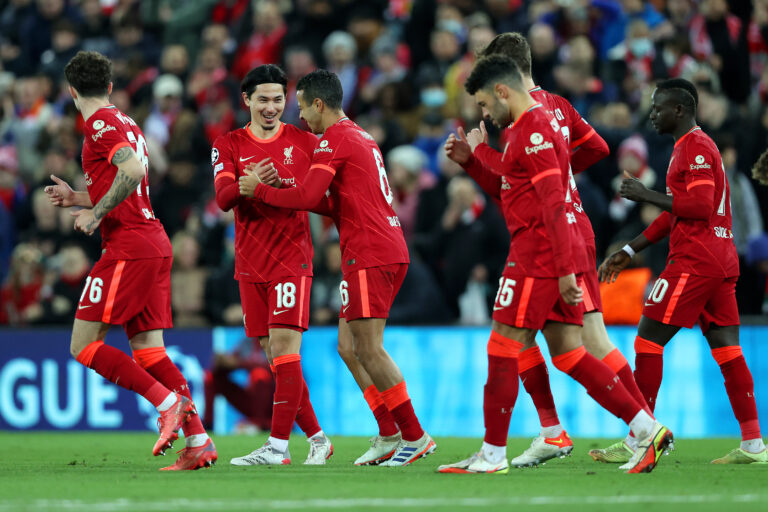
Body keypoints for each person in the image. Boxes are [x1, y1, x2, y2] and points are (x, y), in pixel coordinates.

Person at [438, 54, 671, 475]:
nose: (485, 115)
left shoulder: (534, 129)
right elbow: (512, 187)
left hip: (538, 252)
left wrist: (565, 271)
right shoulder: (527, 129)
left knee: (503, 345)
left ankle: (492, 455)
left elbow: (554, 204)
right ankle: (645, 428)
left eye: (485, 105)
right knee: (568, 353)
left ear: (502, 90)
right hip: (547, 249)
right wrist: (473, 160)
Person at [251, 69, 435, 467]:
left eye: (302, 107)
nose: (300, 116)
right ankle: (388, 432)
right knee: (348, 347)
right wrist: (287, 187)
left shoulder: (334, 140)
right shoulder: (361, 137)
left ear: (319, 104)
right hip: (374, 247)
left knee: (368, 347)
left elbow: (310, 196)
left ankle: (414, 435)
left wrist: (262, 191)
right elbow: (333, 204)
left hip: (372, 251)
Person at [44, 51, 215, 470]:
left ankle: (168, 403)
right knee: (149, 352)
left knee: (83, 346)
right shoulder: (126, 121)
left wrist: (96, 213)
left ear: (70, 91)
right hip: (153, 240)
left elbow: (135, 172)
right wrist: (78, 198)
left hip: (129, 245)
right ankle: (198, 442)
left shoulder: (98, 124)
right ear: (110, 87)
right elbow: (130, 183)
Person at [598, 78, 766, 464]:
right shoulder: (686, 149)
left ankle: (641, 437)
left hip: (696, 260)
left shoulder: (696, 147)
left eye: (658, 108)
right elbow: (675, 212)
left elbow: (700, 207)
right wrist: (629, 248)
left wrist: (646, 195)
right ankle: (754, 444)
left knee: (647, 340)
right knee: (728, 351)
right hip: (718, 261)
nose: (652, 114)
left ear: (679, 110)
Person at [210, 64, 333, 466]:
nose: (271, 107)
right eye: (262, 99)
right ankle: (317, 438)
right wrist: (247, 183)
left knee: (284, 352)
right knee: (274, 357)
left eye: (278, 99)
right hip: (249, 263)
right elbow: (223, 198)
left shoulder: (304, 141)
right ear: (246, 100)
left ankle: (277, 447)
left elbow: (318, 196)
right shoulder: (227, 144)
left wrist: (274, 186)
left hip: (290, 259)